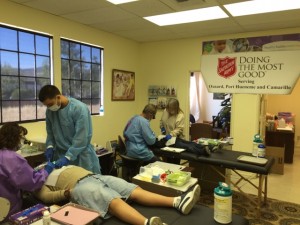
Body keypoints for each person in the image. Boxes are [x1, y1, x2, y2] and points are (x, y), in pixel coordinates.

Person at [34, 165, 201, 225]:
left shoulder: (54, 166)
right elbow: (46, 198)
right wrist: (65, 192)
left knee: (133, 190)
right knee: (110, 200)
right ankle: (146, 223)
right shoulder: (36, 181)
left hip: (95, 176)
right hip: (78, 187)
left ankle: (177, 201)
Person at [38, 85, 100, 174]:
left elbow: (81, 138)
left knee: (84, 185)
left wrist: (68, 157)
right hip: (60, 156)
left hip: (80, 157)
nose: (49, 108)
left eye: (50, 104)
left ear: (58, 97)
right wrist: (50, 146)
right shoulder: (50, 112)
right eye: (46, 105)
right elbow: (50, 133)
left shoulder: (79, 109)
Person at [0, 122, 54, 222]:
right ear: (13, 138)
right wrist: (46, 171)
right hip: (7, 209)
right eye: (21, 137)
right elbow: (34, 182)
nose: (23, 140)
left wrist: (29, 172)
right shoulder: (12, 158)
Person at [160, 98, 185, 164]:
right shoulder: (166, 111)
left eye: (170, 108)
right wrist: (162, 128)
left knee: (174, 162)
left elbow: (179, 129)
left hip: (176, 140)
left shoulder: (180, 116)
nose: (168, 110)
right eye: (168, 108)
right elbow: (162, 121)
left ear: (175, 108)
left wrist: (171, 134)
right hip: (167, 139)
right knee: (166, 160)